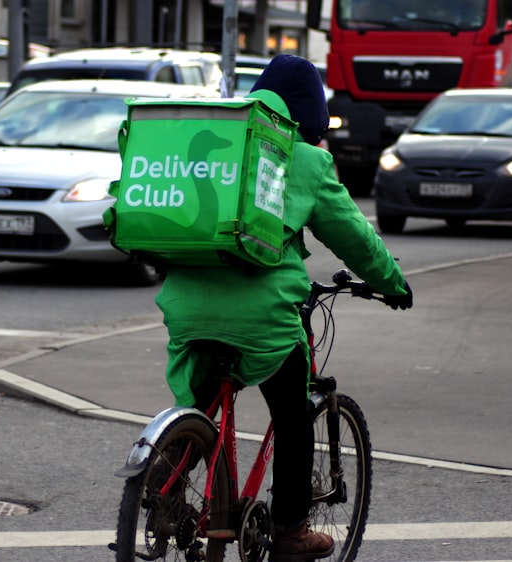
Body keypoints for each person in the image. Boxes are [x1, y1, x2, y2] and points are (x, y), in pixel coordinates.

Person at [154, 54, 412, 561]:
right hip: (261, 319)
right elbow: (354, 238)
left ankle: (166, 476)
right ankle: (291, 532)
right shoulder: (307, 161)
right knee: (294, 417)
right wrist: (393, 283)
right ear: (312, 119)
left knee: (201, 399)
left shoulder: (223, 145)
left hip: (186, 306)